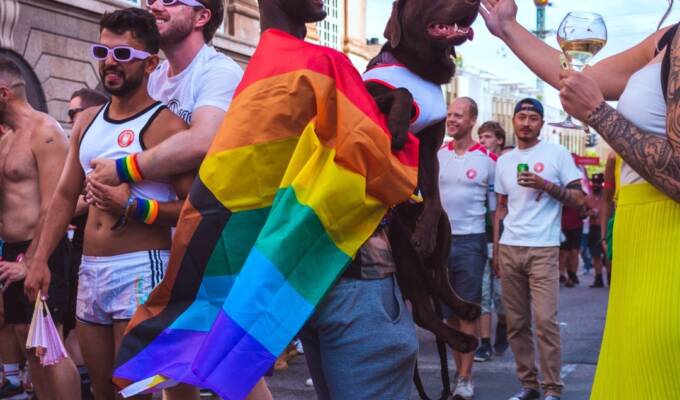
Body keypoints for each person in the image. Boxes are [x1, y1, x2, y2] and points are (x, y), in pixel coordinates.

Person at [482, 1, 680, 397]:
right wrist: (507, 27)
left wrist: (597, 113)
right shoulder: (668, 37)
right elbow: (578, 78)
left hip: (666, 244)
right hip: (638, 242)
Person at [24, 8, 195, 400]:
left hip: (141, 269)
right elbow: (64, 194)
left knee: (132, 391)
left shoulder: (167, 125)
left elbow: (194, 209)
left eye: (123, 55)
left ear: (150, 63)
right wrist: (40, 258)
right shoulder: (86, 120)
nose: (109, 63)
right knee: (101, 389)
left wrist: (134, 207)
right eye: (102, 52)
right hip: (90, 269)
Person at [87, 0, 243, 186]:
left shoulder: (220, 72)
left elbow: (202, 141)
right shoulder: (155, 75)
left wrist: (122, 170)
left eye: (168, 0)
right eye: (152, 0)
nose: (155, 6)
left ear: (201, 17)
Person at [0, 59, 81, 399]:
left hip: (43, 249)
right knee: (25, 338)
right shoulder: (7, 140)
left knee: (48, 345)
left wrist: (35, 260)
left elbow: (54, 204)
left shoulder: (45, 132)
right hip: (12, 250)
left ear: (3, 93)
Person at [493, 98, 585, 400]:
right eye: (521, 116)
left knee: (546, 321)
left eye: (533, 118)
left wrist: (545, 185)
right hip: (510, 247)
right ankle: (529, 385)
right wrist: (497, 250)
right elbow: (501, 208)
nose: (526, 123)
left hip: (544, 248)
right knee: (516, 323)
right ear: (513, 121)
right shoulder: (504, 161)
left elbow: (579, 199)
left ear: (541, 123)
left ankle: (552, 389)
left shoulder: (557, 154)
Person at [438, 97, 496, 399]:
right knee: (448, 313)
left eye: (458, 115)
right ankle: (459, 370)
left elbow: (497, 210)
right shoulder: (438, 154)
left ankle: (465, 376)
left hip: (472, 241)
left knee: (468, 311)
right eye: (449, 115)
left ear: (472, 120)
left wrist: (496, 248)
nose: (452, 120)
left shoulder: (488, 160)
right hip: (441, 243)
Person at [67, 88, 109, 400]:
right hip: (84, 258)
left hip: (120, 259)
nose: (72, 119)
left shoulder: (101, 142)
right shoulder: (78, 145)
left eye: (75, 113)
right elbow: (64, 194)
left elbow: (75, 198)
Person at [475, 121, 508, 362]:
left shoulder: (504, 166)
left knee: (501, 296)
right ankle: (484, 342)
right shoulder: (477, 164)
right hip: (480, 235)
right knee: (483, 294)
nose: (482, 141)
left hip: (504, 238)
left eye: (487, 137)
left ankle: (503, 326)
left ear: (499, 140)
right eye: (480, 137)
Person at [585, 173, 605, 288]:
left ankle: (611, 278)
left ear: (602, 183)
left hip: (605, 228)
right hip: (594, 228)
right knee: (596, 255)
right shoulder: (588, 198)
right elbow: (581, 214)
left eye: (598, 183)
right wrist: (589, 213)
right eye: (594, 182)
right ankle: (598, 279)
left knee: (608, 255)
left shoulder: (608, 196)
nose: (596, 185)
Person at [559, 204, 583, 288]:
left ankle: (572, 276)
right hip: (564, 227)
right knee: (564, 253)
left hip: (577, 227)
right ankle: (562, 274)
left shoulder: (581, 196)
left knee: (574, 253)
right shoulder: (563, 195)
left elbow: (584, 213)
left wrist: (584, 211)